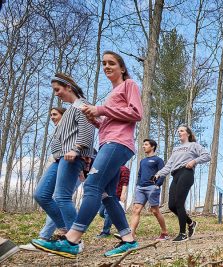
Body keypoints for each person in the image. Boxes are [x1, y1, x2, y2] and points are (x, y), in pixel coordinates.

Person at [32, 51, 143, 258]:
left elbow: (137, 113)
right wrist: (96, 121)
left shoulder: (130, 85)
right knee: (107, 195)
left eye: (112, 63)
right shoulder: (112, 93)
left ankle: (72, 240)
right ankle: (128, 239)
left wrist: (100, 109)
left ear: (122, 68)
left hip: (118, 143)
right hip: (108, 141)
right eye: (104, 64)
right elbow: (111, 122)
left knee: (92, 186)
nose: (107, 67)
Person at [32, 74, 95, 242]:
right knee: (41, 194)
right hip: (59, 159)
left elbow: (88, 131)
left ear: (68, 87)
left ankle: (75, 241)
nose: (56, 94)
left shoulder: (82, 105)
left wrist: (77, 149)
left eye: (57, 89)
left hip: (71, 158)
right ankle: (65, 230)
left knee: (62, 197)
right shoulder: (68, 111)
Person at [154, 126, 210, 242]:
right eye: (178, 131)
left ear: (188, 134)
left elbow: (207, 156)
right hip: (175, 174)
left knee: (179, 202)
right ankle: (191, 223)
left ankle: (182, 233)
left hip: (186, 172)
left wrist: (194, 161)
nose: (179, 132)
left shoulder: (194, 145)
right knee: (171, 205)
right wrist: (158, 174)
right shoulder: (176, 149)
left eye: (182, 130)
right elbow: (169, 165)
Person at [130, 139, 169, 241]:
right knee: (136, 210)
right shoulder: (142, 161)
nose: (143, 146)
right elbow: (139, 174)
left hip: (152, 187)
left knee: (155, 211)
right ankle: (131, 234)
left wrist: (157, 185)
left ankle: (164, 232)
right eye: (143, 145)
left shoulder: (158, 160)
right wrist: (138, 185)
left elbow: (163, 173)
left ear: (152, 147)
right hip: (140, 188)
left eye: (146, 145)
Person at [97, 165, 130, 238]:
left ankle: (105, 232)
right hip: (106, 193)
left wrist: (123, 194)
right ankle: (118, 219)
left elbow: (125, 182)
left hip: (115, 193)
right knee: (102, 213)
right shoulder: (112, 167)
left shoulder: (124, 169)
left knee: (107, 213)